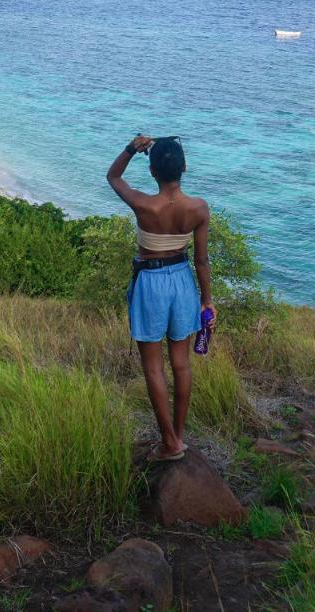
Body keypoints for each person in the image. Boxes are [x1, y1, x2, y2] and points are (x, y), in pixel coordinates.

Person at [107, 134, 215, 462]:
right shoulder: (198, 208)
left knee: (153, 367)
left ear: (153, 171)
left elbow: (113, 176)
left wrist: (130, 148)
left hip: (150, 282)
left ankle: (169, 442)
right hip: (182, 281)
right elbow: (201, 260)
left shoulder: (143, 204)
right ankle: (177, 437)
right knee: (181, 364)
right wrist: (207, 301)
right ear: (184, 168)